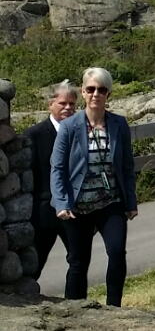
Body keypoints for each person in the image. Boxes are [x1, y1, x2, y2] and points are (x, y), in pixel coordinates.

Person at [50, 67, 138, 307]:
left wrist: (131, 202)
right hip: (78, 205)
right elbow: (57, 167)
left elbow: (127, 166)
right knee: (79, 261)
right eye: (90, 89)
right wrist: (62, 203)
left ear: (108, 94)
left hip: (110, 202)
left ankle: (114, 307)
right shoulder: (70, 126)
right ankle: (75, 310)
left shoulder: (119, 124)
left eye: (101, 90)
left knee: (117, 252)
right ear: (83, 92)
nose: (95, 94)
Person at [24, 80, 77, 282]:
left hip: (74, 210)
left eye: (72, 104)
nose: (67, 108)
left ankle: (76, 298)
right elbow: (29, 175)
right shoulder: (34, 135)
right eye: (63, 103)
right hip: (44, 213)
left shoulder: (80, 132)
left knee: (78, 260)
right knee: (34, 264)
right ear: (50, 104)